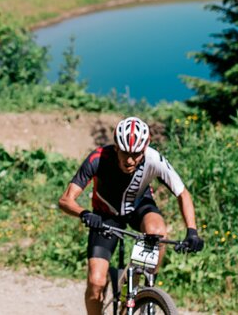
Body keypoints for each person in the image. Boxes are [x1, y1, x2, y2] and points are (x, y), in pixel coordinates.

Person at [57, 116, 203, 315]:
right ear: (116, 147)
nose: (130, 160)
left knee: (158, 232)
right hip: (105, 216)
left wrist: (192, 231)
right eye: (125, 152)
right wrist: (84, 213)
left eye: (136, 154)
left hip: (139, 208)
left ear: (145, 148)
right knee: (96, 283)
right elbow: (65, 200)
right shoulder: (98, 158)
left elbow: (182, 193)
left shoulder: (154, 159)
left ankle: (142, 286)